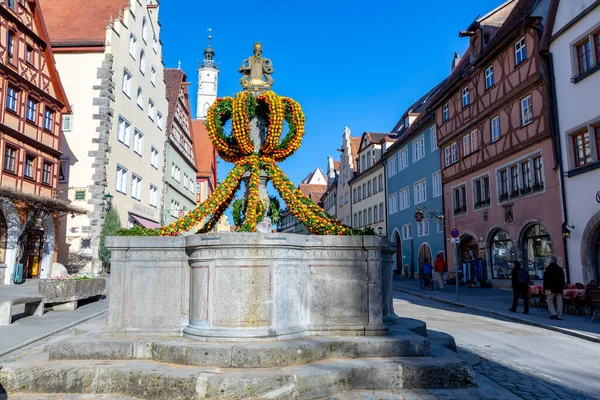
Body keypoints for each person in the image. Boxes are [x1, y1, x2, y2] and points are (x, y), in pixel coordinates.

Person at [544, 256, 565, 320]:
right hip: (559, 288)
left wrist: (546, 288)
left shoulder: (548, 268)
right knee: (559, 302)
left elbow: (546, 279)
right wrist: (562, 287)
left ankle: (553, 313)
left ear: (550, 261)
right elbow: (563, 279)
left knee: (549, 300)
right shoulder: (560, 269)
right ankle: (559, 315)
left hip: (550, 288)